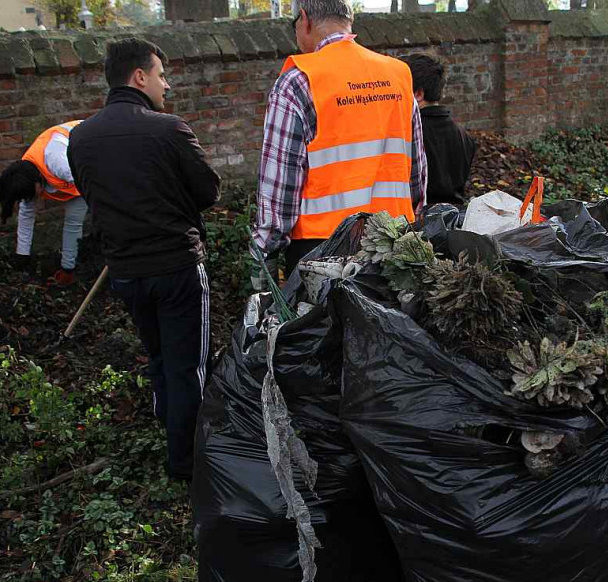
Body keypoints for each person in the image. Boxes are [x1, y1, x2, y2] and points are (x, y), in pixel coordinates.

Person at [67, 38, 221, 482]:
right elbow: (208, 191)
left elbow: (92, 196)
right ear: (139, 76)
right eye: (160, 74)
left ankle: (168, 425)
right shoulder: (168, 129)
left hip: (126, 272)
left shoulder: (80, 137)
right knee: (188, 363)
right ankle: (187, 465)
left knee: (157, 355)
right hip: (176, 266)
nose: (166, 85)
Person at [251, 0, 427, 285]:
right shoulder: (398, 74)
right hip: (395, 243)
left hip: (322, 255)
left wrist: (265, 254)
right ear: (350, 18)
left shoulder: (298, 82)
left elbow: (280, 185)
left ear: (304, 20)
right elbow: (416, 173)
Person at [0, 121, 87, 287]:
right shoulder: (25, 175)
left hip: (95, 155)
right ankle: (69, 269)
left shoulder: (59, 163)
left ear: (36, 182)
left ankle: (69, 269)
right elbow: (26, 215)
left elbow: (100, 183)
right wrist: (22, 256)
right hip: (77, 176)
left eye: (29, 195)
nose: (29, 200)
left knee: (74, 220)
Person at [402, 54, 476, 208]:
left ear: (418, 94)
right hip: (456, 218)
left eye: (403, 88)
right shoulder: (463, 135)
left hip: (420, 222)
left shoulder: (409, 133)